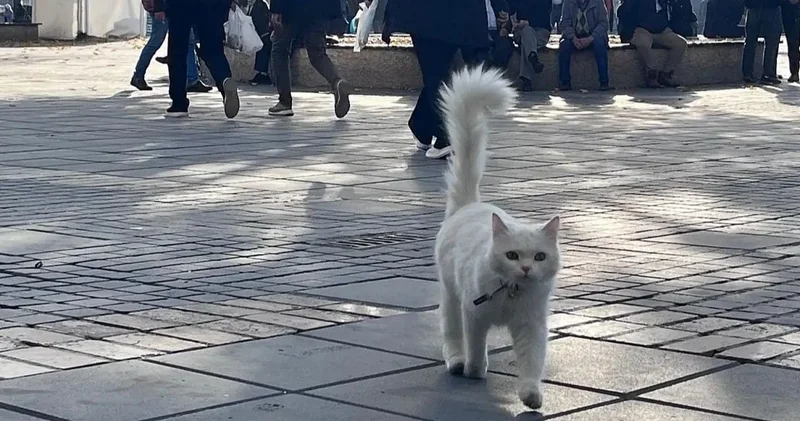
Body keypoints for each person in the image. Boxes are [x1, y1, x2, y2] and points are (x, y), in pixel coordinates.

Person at [385, 0, 502, 159]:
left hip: (424, 13)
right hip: (463, 14)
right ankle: (421, 127)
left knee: (435, 71)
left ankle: (446, 135)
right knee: (438, 68)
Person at [155, 0, 239, 118]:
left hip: (180, 5)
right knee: (212, 50)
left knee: (177, 52)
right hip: (212, 5)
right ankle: (224, 80)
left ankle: (179, 104)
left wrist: (158, 6)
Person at [269, 0, 353, 117]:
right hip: (319, 9)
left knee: (280, 51)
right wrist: (335, 13)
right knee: (317, 54)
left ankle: (284, 102)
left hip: (291, 8)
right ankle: (337, 81)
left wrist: (276, 9)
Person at [132, 0, 212, 93]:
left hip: (180, 9)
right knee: (155, 42)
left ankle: (192, 80)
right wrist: (158, 8)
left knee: (188, 42)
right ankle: (138, 76)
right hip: (165, 8)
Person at [618, 0, 689, 88]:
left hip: (662, 30)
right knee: (643, 44)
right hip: (642, 29)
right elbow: (623, 11)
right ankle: (651, 74)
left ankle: (665, 74)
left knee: (681, 43)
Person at [558, 0, 612, 91]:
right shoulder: (568, 2)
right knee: (564, 45)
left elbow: (603, 23)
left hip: (593, 36)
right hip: (575, 36)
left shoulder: (598, 2)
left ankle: (604, 82)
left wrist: (591, 38)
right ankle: (565, 82)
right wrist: (573, 38)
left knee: (600, 45)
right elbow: (564, 23)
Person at [509, 0, 553, 92]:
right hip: (521, 30)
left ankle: (527, 79)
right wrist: (513, 22)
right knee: (527, 31)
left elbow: (544, 17)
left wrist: (528, 22)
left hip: (541, 31)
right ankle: (533, 59)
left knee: (526, 43)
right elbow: (509, 9)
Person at [462, 0, 515, 71]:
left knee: (504, 49)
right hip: (476, 34)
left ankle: (497, 74)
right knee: (480, 55)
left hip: (496, 31)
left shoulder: (497, 2)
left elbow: (505, 11)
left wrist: (505, 25)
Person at [742, 0, 782, 85]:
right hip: (770, 7)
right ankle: (768, 74)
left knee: (751, 42)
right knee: (771, 42)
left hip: (755, 6)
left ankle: (748, 73)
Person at [248, 0, 273, 86]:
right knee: (263, 45)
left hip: (267, 34)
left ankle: (262, 74)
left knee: (264, 45)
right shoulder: (260, 4)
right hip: (265, 34)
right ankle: (262, 73)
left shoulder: (260, 5)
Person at [782, 0, 800, 82]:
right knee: (793, 47)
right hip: (790, 19)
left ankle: (794, 73)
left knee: (793, 47)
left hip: (792, 18)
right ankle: (794, 73)